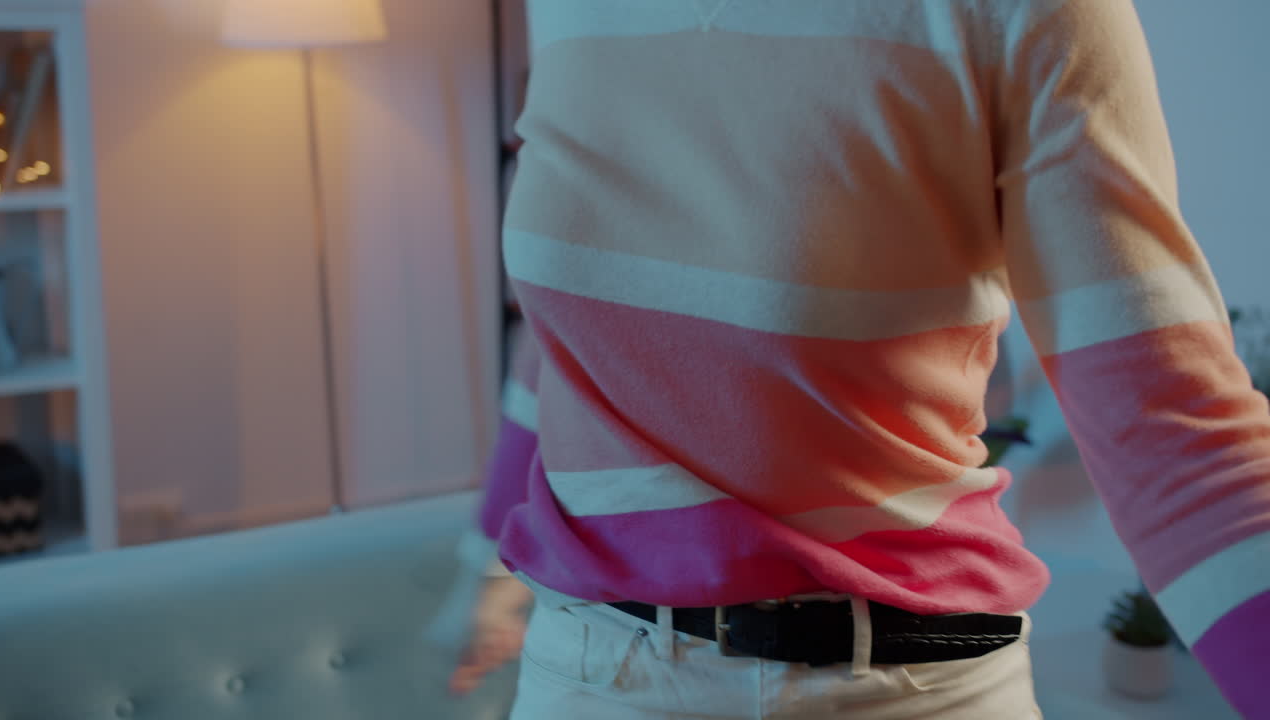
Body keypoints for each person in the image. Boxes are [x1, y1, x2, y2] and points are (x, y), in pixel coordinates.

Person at [449, 0, 1270, 717]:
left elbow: (1174, 437)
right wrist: (490, 556)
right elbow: (581, 332)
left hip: (904, 692)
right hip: (590, 678)